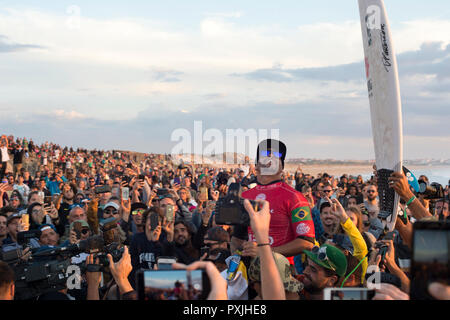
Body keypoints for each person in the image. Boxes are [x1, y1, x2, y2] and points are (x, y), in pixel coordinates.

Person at [232, 139, 315, 267]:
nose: (270, 159)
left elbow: (307, 243)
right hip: (249, 271)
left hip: (281, 271)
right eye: (265, 155)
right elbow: (237, 238)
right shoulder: (245, 196)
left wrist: (265, 251)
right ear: (257, 164)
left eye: (276, 156)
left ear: (282, 166)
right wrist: (236, 267)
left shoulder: (294, 197)